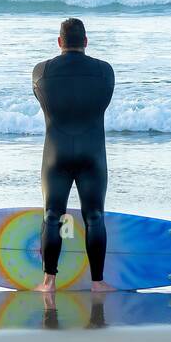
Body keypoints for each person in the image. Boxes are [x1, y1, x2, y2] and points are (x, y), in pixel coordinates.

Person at [31, 17, 116, 293]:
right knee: (95, 216)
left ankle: (48, 282)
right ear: (86, 42)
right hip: (93, 154)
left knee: (52, 215)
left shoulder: (41, 72)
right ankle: (98, 282)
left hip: (56, 154)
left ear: (59, 42)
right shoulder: (105, 72)